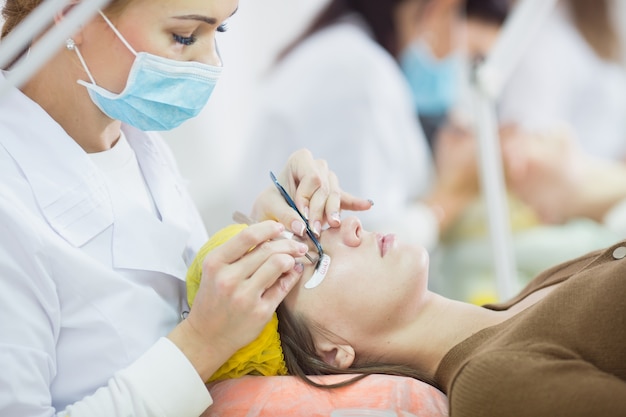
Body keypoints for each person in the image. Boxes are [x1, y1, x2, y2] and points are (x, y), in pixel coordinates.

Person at [0, 1, 373, 415]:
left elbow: (172, 286)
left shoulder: (136, 140)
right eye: (184, 36)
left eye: (221, 32)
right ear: (72, 15)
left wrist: (262, 230)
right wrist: (202, 343)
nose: (211, 62)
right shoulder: (9, 199)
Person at [192, 218, 626, 416]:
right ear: (333, 351)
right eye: (316, 256)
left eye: (315, 230)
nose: (349, 228)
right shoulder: (493, 385)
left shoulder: (525, 298)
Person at [234, 0, 474, 252]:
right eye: (454, 12)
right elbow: (366, 249)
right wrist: (451, 197)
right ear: (438, 6)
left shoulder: (345, 53)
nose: (456, 44)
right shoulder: (356, 73)